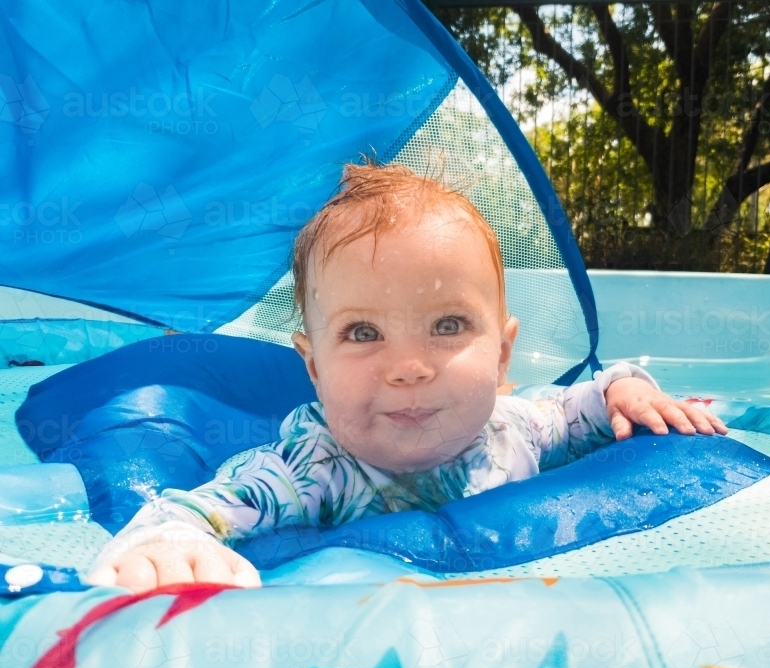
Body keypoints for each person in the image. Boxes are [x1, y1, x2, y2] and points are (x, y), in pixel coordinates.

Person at [88, 162, 727, 593]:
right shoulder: (311, 468)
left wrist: (625, 388)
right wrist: (170, 542)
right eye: (363, 333)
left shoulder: (517, 427)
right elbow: (200, 511)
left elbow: (578, 406)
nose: (409, 367)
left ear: (503, 356)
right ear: (312, 367)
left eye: (448, 325)